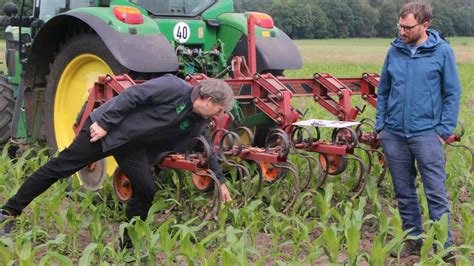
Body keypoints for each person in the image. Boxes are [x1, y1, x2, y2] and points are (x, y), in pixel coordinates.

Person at [0, 74, 234, 246]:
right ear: (207, 99)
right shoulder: (173, 87)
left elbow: (207, 148)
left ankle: (128, 245)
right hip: (106, 132)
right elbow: (133, 96)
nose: (219, 115)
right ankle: (8, 213)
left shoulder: (198, 120)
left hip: (134, 146)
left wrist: (221, 180)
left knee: (146, 189)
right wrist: (103, 123)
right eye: (219, 109)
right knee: (58, 169)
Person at [375, 2, 461, 263]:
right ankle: (413, 243)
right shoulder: (394, 51)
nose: (402, 31)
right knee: (404, 192)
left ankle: (444, 249)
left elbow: (452, 93)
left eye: (407, 27)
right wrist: (381, 127)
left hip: (426, 134)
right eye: (400, 26)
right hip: (394, 135)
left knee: (435, 193)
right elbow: (384, 91)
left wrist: (444, 130)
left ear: (425, 25)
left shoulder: (441, 52)